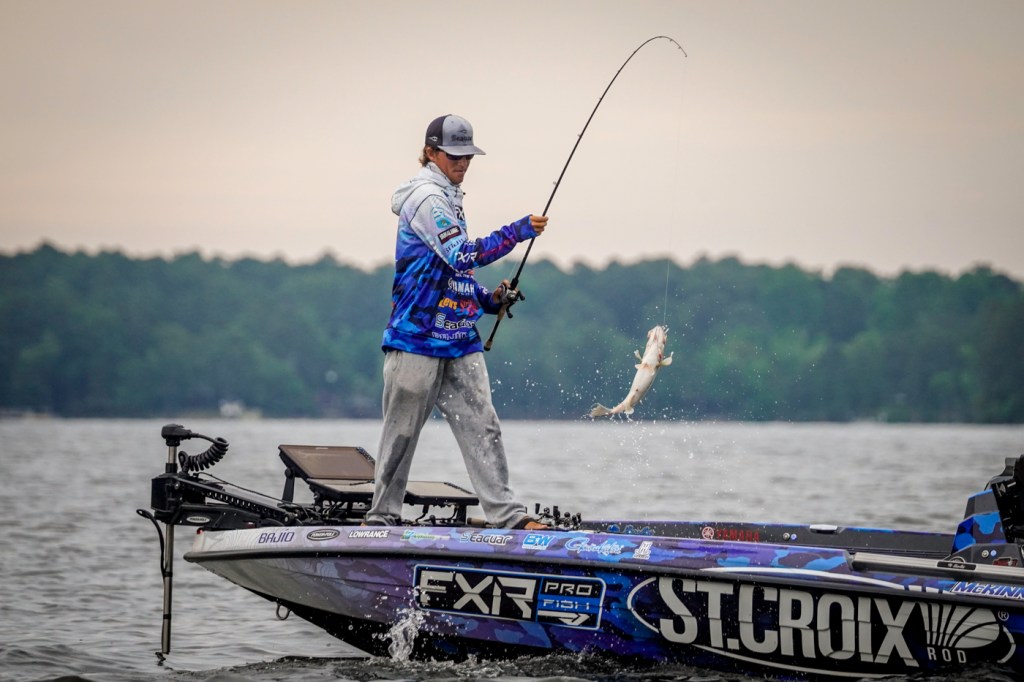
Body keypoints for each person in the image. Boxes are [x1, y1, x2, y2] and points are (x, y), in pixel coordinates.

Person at [364, 114, 550, 530]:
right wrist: (517, 231)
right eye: (454, 155)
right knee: (401, 434)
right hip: (416, 339)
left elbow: (454, 275)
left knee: (484, 426)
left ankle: (508, 518)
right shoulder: (427, 199)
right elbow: (463, 254)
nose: (463, 163)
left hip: (459, 339)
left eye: (467, 156)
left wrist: (490, 300)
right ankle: (381, 519)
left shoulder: (451, 197)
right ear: (431, 153)